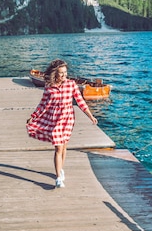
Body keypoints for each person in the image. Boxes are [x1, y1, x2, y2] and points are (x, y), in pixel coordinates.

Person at [26, 59, 98, 188]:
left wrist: (90, 116)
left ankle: (61, 169)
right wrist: (33, 116)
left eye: (65, 73)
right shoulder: (49, 86)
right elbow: (42, 104)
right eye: (61, 73)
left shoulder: (71, 84)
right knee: (58, 147)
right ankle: (58, 177)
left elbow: (80, 101)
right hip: (55, 120)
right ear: (55, 74)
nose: (64, 76)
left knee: (64, 146)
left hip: (68, 119)